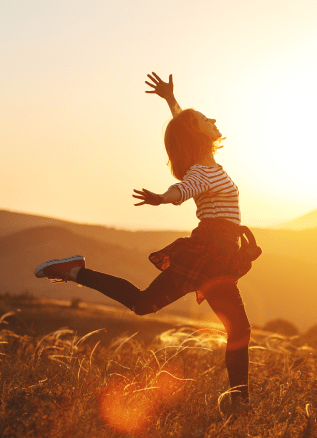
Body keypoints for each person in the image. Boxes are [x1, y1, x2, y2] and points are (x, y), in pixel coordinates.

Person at [33, 72, 261, 407]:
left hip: (223, 254)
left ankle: (239, 401)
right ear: (197, 133)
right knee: (163, 309)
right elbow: (182, 189)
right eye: (203, 119)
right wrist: (162, 197)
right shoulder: (201, 171)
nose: (211, 119)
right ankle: (75, 271)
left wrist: (171, 101)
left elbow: (185, 126)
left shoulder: (209, 162)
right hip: (210, 252)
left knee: (222, 325)